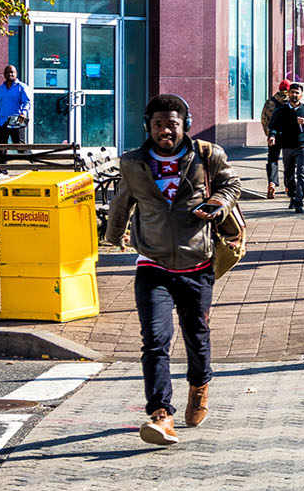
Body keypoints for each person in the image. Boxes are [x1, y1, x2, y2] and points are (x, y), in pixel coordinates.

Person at [103, 93, 241, 447]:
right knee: (155, 340)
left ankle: (199, 385)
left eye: (172, 125)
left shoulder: (207, 156)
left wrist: (218, 203)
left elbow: (232, 185)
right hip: (152, 264)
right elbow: (122, 201)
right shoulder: (133, 162)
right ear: (148, 127)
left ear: (185, 125)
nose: (166, 131)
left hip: (197, 262)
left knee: (196, 337)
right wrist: (113, 235)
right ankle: (161, 415)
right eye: (158, 125)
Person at [270, 82, 304, 213]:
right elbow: (273, 126)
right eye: (292, 92)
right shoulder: (281, 110)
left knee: (302, 173)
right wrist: (272, 136)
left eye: (297, 93)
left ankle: (299, 201)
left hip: (303, 145)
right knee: (288, 175)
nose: (294, 95)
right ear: (288, 93)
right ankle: (292, 194)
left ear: (301, 95)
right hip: (287, 145)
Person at [258, 78, 290, 200]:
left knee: (272, 159)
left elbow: (264, 119)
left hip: (273, 136)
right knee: (289, 162)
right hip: (288, 136)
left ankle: (272, 183)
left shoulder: (270, 102)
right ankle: (288, 186)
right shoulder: (290, 102)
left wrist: (269, 133)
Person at [0, 64, 31, 148]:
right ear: (4, 74)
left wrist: (23, 113)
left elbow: (27, 102)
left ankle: (31, 160)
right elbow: (0, 103)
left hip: (17, 120)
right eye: (7, 72)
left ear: (16, 73)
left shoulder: (22, 87)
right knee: (1, 148)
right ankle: (1, 161)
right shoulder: (1, 88)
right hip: (1, 120)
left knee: (20, 147)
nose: (10, 74)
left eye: (12, 72)